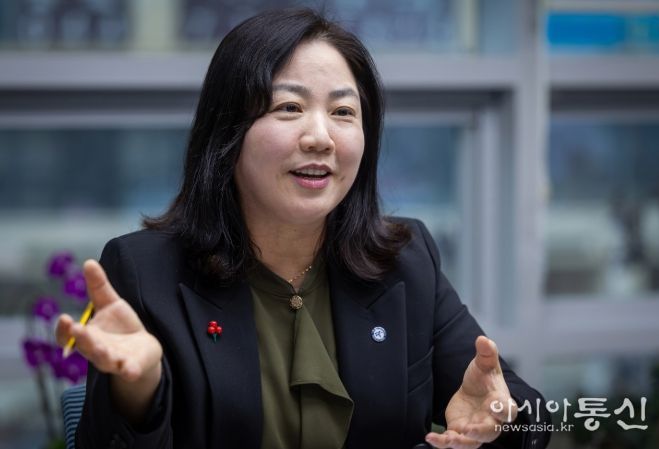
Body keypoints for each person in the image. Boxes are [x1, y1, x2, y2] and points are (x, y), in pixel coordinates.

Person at [55, 8, 551, 449]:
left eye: (343, 112)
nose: (320, 137)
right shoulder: (145, 272)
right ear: (228, 131)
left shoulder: (406, 259)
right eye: (288, 107)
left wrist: (502, 420)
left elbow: (524, 410)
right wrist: (138, 390)